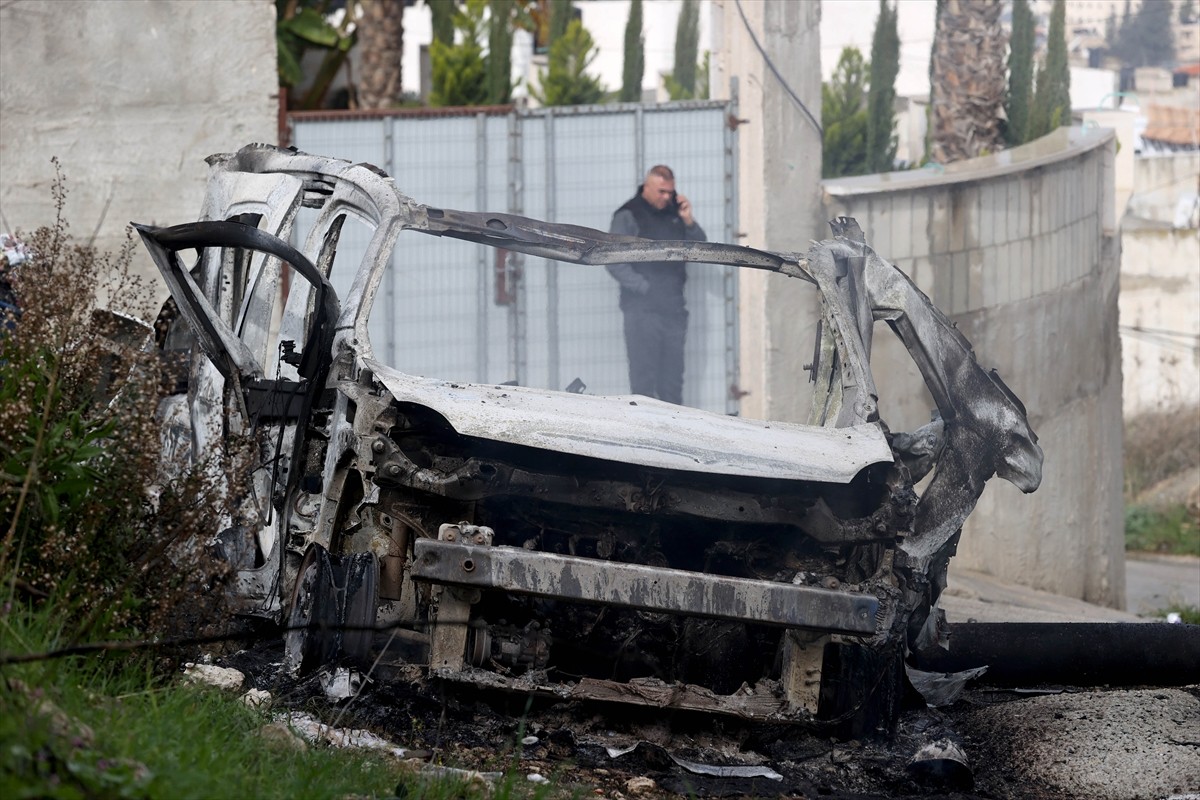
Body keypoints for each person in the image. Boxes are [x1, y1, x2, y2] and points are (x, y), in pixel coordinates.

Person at [606, 165, 706, 405]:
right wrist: (644, 287)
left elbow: (701, 248)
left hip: (673, 311)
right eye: (661, 192)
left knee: (672, 385)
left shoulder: (676, 213)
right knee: (643, 385)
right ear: (647, 187)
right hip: (642, 313)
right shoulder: (628, 215)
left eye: (670, 192)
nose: (667, 197)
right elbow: (612, 260)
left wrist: (688, 221)